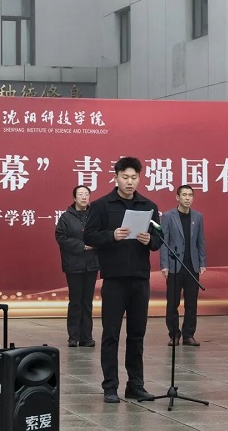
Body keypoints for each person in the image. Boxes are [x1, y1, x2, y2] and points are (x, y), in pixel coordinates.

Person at [83, 157, 161, 404]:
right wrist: (112, 235)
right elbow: (89, 236)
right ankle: (110, 386)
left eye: (134, 177)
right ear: (116, 177)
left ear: (139, 178)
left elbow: (159, 240)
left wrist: (150, 240)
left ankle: (135, 385)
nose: (130, 182)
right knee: (111, 334)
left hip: (140, 279)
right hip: (114, 279)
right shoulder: (101, 205)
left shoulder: (148, 206)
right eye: (125, 177)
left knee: (137, 334)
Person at [160, 185, 206, 347]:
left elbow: (200, 241)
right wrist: (164, 264)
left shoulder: (197, 217)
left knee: (191, 303)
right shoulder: (168, 216)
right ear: (177, 197)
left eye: (190, 195)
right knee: (172, 303)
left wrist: (202, 262)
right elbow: (163, 242)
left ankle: (189, 335)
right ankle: (174, 335)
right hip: (174, 265)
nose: (187, 198)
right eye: (184, 195)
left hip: (192, 266)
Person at [55, 185, 100, 348]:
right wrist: (81, 245)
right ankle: (73, 337)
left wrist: (94, 243)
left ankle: (86, 336)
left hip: (92, 264)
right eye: (80, 194)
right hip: (74, 265)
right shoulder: (66, 217)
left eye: (86, 194)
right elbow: (60, 237)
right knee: (75, 301)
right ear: (74, 198)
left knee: (87, 301)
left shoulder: (94, 215)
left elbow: (100, 234)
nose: (84, 197)